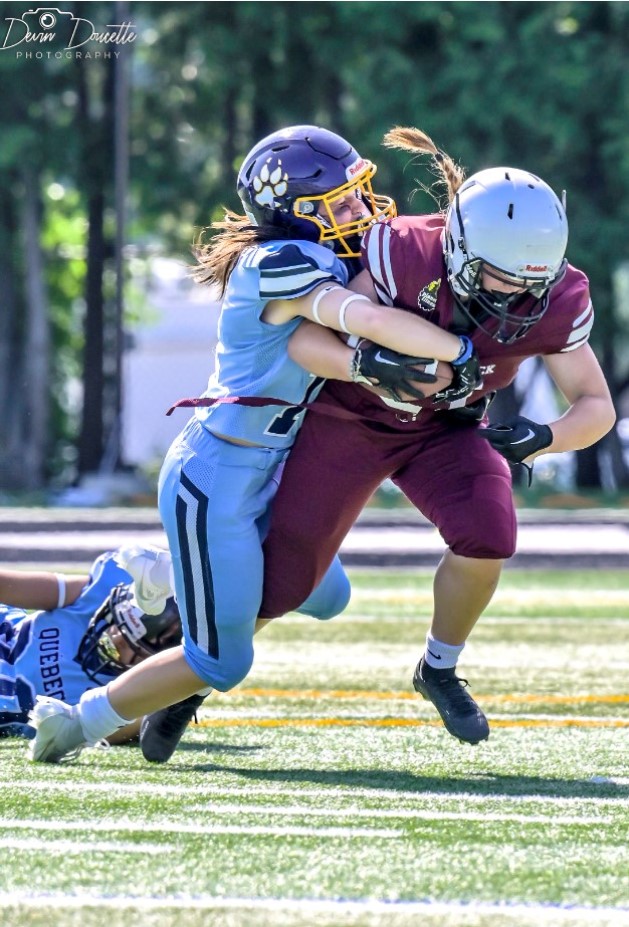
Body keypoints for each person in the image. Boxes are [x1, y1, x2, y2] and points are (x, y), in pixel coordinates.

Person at [27, 124, 481, 763]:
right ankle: (76, 723)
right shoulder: (279, 262)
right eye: (342, 203)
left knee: (328, 595)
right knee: (221, 661)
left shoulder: (320, 254)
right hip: (215, 477)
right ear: (296, 213)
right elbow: (365, 320)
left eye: (360, 194)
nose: (362, 211)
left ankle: (178, 581)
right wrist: (462, 351)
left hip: (267, 468)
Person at [255, 126, 616, 746]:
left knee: (489, 531)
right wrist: (365, 364)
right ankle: (198, 676)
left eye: (531, 280)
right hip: (353, 418)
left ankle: (439, 668)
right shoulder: (402, 255)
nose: (517, 294)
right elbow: (303, 339)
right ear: (455, 245)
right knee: (282, 580)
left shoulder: (556, 295)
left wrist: (542, 437)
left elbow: (596, 404)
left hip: (443, 428)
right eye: (500, 276)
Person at [0, 547, 181, 745]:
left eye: (133, 646)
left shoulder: (127, 696)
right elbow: (8, 586)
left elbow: (116, 731)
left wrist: (170, 695)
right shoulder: (95, 596)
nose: (115, 639)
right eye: (117, 624)